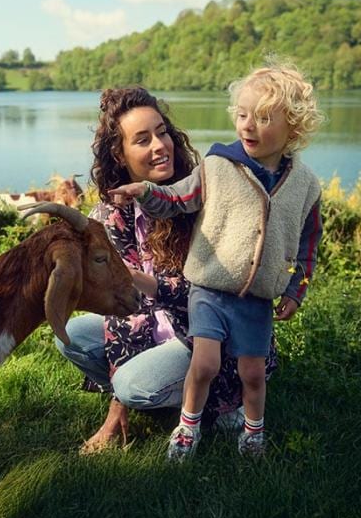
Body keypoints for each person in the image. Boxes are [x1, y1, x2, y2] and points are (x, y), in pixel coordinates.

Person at [109, 62, 324, 461]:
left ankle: (252, 431)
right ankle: (188, 428)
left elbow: (310, 242)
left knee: (253, 375)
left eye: (262, 118)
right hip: (208, 290)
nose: (248, 126)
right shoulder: (217, 166)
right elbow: (177, 199)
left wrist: (297, 288)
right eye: (242, 115)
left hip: (257, 299)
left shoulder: (306, 185)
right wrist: (145, 191)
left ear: (293, 127)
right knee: (204, 364)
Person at [55, 86, 278, 454]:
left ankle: (220, 404)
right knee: (72, 334)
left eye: (162, 132)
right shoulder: (111, 213)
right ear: (119, 154)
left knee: (132, 385)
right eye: (142, 140)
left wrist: (144, 282)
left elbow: (218, 291)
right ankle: (160, 397)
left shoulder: (201, 194)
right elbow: (120, 308)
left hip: (213, 333)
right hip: (155, 327)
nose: (160, 146)